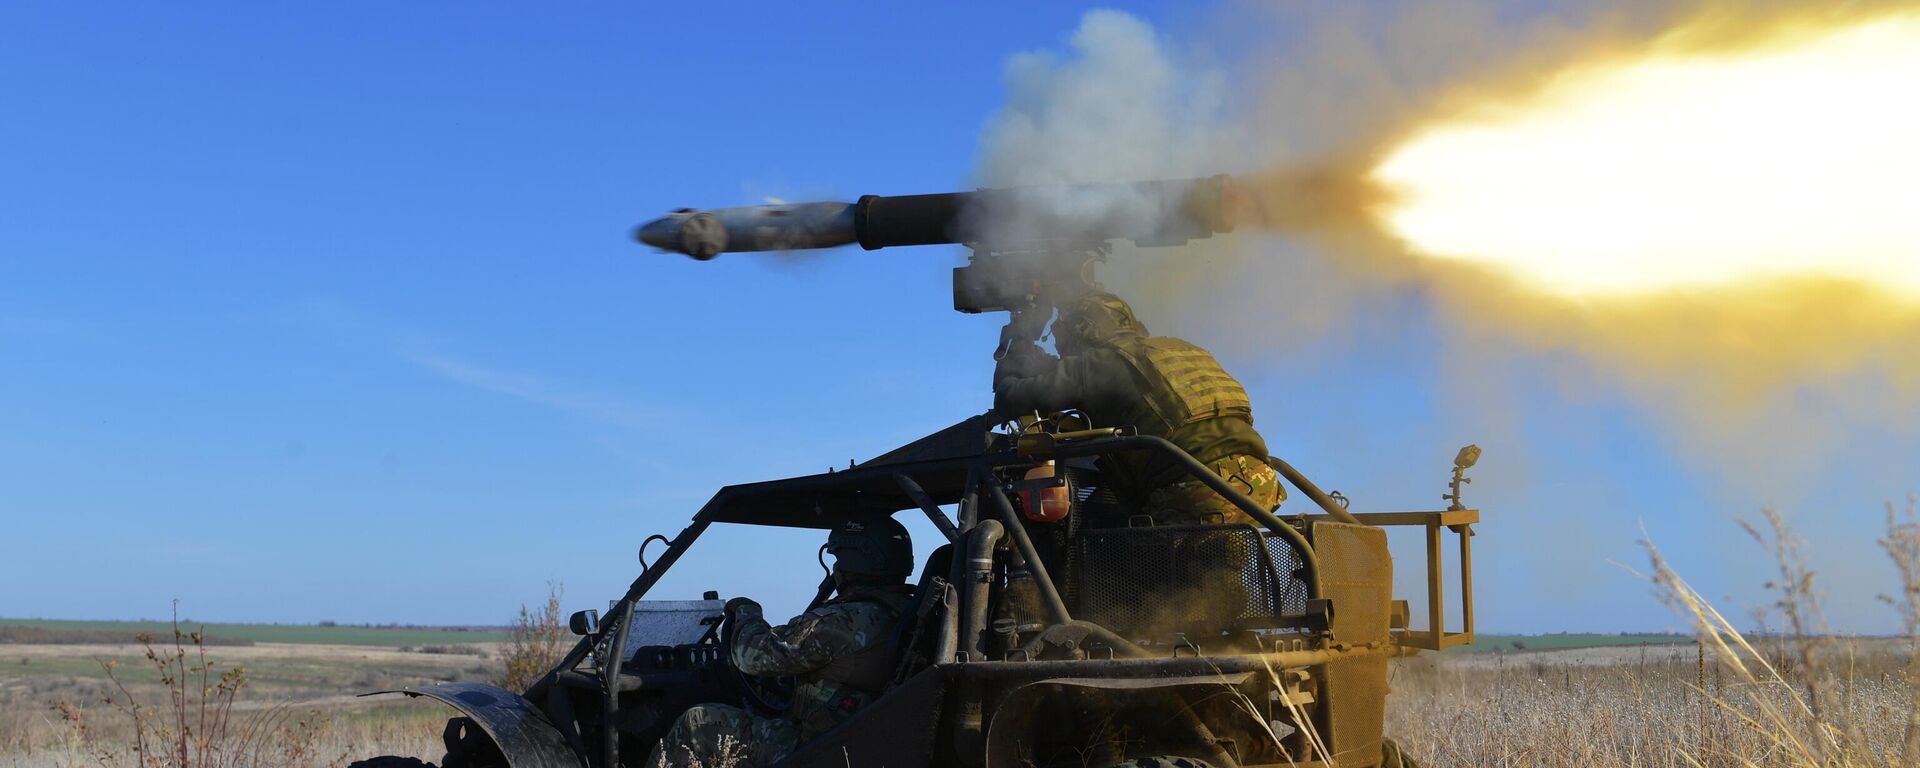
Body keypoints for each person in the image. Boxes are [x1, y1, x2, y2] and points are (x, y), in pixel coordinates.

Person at [993, 291, 1283, 526]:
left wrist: (1015, 345)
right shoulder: (1177, 349)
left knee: (1085, 539)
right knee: (1213, 580)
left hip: (1197, 494)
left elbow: (1009, 398)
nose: (1063, 351)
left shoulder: (1100, 364)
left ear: (1082, 332)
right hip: (1260, 486)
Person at [648, 517, 915, 768]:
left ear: (856, 560)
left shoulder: (842, 620)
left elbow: (750, 657)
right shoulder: (903, 611)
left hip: (821, 747)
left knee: (696, 723)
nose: (835, 569)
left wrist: (747, 611)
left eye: (838, 560)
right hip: (863, 737)